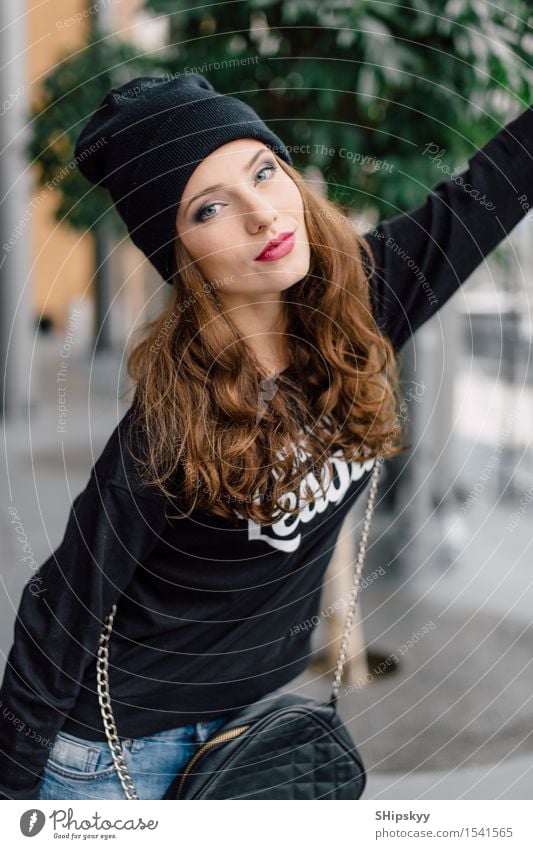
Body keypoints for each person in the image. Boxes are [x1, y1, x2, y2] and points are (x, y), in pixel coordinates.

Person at [0, 73, 531, 800]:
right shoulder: (170, 424)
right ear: (178, 250)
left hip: (255, 727)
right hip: (118, 754)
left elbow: (495, 184)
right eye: (211, 206)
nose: (262, 214)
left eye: (264, 171)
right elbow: (59, 610)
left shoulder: (366, 301)